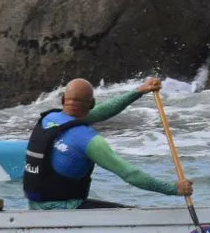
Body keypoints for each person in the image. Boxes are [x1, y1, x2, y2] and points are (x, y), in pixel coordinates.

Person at [24, 77, 193, 210]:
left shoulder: (49, 119)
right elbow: (131, 174)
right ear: (92, 103)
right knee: (133, 214)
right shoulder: (89, 140)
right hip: (66, 210)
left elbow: (102, 112)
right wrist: (174, 188)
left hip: (36, 205)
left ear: (63, 100)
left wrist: (140, 90)